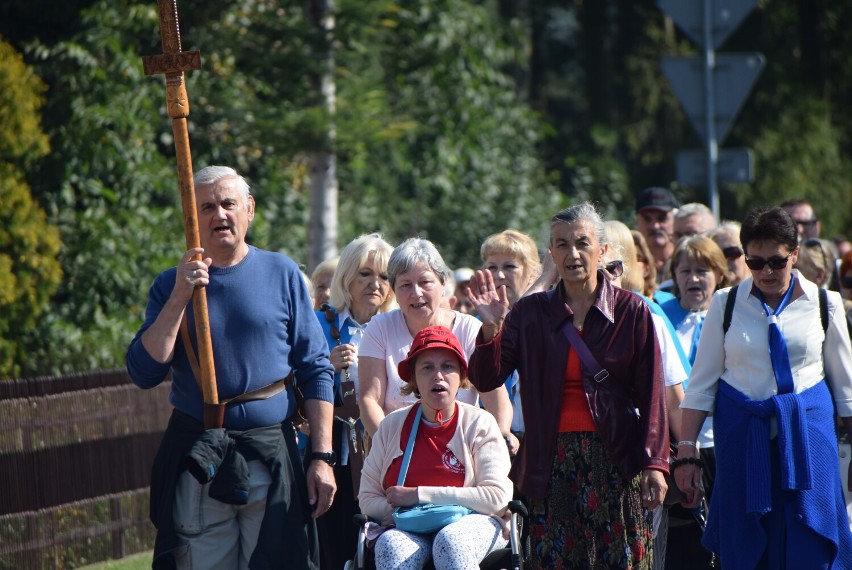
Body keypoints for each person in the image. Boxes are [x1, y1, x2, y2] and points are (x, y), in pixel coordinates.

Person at [125, 165, 336, 569]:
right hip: (199, 455)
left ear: (249, 209)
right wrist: (181, 296)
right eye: (206, 207)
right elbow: (143, 372)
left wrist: (321, 458)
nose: (219, 215)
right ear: (192, 217)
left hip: (271, 452)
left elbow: (315, 369)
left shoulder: (282, 273)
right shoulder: (170, 284)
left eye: (228, 204)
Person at [468, 202, 669, 568]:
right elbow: (485, 379)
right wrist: (491, 328)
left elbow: (653, 396)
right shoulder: (529, 314)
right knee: (555, 560)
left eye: (582, 243)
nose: (572, 254)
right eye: (561, 244)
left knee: (620, 560)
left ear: (602, 251)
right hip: (550, 460)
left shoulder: (631, 311)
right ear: (551, 253)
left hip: (616, 459)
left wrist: (655, 463)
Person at [675, 206, 852, 569]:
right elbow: (700, 386)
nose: (767, 272)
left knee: (810, 542)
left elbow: (845, 389)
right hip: (743, 441)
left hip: (808, 440)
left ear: (795, 254)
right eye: (756, 263)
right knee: (747, 547)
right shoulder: (725, 305)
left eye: (776, 261)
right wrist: (687, 450)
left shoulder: (824, 303)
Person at [358, 326, 513, 569]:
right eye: (427, 367)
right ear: (414, 380)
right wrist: (389, 512)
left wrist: (418, 495)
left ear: (462, 376)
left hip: (473, 523)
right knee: (390, 545)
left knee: (450, 542)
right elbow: (366, 496)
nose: (438, 376)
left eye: (447, 367)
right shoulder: (392, 426)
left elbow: (497, 498)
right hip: (410, 525)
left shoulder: (481, 423)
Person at [358, 238, 515, 451]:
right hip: (399, 450)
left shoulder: (469, 328)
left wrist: (500, 436)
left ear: (443, 284)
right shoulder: (379, 327)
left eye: (425, 282)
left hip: (463, 450)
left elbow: (495, 397)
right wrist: (394, 449)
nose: (416, 293)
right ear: (394, 291)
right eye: (405, 285)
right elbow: (370, 400)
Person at [602, 221, 689, 570]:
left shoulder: (645, 313)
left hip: (638, 458)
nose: (606, 277)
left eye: (613, 268)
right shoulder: (560, 317)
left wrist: (687, 456)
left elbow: (672, 396)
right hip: (577, 463)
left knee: (641, 558)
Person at [313, 233, 395, 570]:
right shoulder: (319, 323)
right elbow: (294, 383)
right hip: (334, 451)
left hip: (388, 449)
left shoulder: (399, 325)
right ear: (347, 276)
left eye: (385, 276)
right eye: (365, 273)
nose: (375, 283)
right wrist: (325, 364)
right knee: (335, 545)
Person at [659, 235, 731, 569]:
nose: (693, 279)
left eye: (702, 270)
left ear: (720, 274)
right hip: (680, 444)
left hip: (724, 441)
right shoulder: (661, 316)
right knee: (687, 539)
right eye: (685, 271)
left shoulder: (733, 315)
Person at [480, 229, 542, 442]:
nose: (499, 275)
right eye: (492, 267)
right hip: (492, 442)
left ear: (532, 275)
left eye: (509, 267)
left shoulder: (550, 324)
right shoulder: (478, 328)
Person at [635, 187, 679, 284]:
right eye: (647, 219)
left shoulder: (685, 259)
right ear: (636, 221)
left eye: (662, 218)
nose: (655, 226)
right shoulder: (631, 262)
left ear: (675, 220)